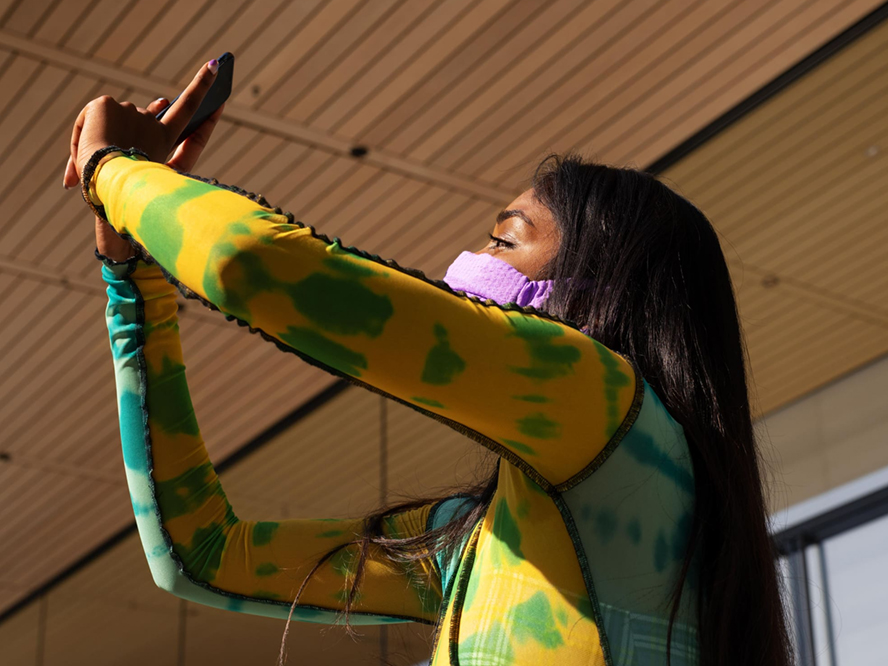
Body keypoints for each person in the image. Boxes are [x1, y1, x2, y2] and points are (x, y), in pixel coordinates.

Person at [64, 60, 793, 666]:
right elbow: (201, 556)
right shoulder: (468, 540)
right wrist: (130, 275)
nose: (469, 261)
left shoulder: (606, 404)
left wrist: (112, 169)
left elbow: (252, 264)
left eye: (504, 241)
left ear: (602, 291)